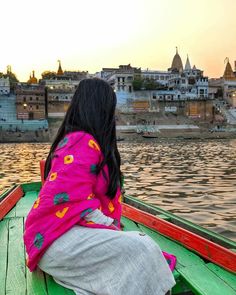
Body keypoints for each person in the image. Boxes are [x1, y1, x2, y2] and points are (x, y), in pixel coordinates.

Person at [23, 78, 175, 295]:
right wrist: (113, 230)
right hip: (56, 241)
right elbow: (76, 203)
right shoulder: (80, 142)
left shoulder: (78, 140)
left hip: (58, 239)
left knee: (142, 248)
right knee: (143, 248)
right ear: (100, 109)